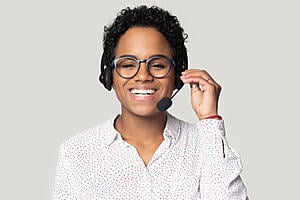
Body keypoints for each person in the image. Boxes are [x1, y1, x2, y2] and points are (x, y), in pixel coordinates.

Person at [52, 5, 248, 200]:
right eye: (128, 65)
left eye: (157, 65)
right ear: (108, 75)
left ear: (177, 77)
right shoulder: (76, 152)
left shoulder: (205, 143)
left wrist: (209, 119)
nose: (143, 76)